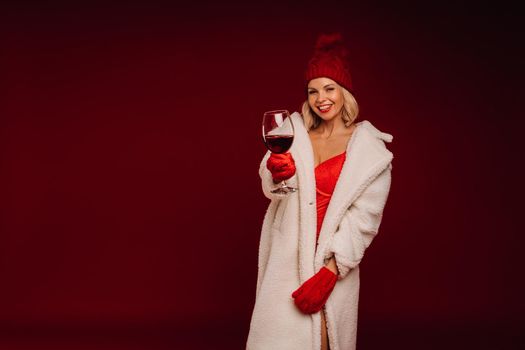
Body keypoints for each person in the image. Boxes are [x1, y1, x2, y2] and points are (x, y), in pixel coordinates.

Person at [246, 33, 394, 350]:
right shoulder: (290, 132)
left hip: (330, 263)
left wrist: (331, 271)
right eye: (313, 91)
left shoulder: (371, 151)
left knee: (324, 342)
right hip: (286, 259)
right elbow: (272, 187)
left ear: (344, 93)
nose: (320, 98)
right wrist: (275, 172)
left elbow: (364, 220)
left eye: (329, 88)